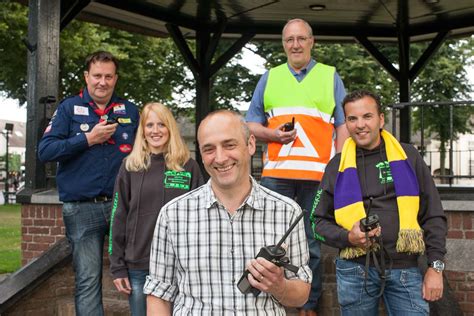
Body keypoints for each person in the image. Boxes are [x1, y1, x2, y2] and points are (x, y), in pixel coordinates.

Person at [144, 110, 312, 315]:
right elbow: (160, 294)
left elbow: (302, 293)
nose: (221, 158)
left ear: (250, 144)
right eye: (209, 149)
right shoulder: (173, 215)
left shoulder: (287, 212)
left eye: (229, 145)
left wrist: (279, 286)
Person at [245, 18, 349, 315]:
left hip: (317, 176)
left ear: (311, 41)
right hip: (277, 176)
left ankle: (308, 305)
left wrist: (339, 167)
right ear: (283, 44)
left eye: (301, 38)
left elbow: (342, 125)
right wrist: (273, 134)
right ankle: (268, 301)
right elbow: (250, 124)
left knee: (312, 244)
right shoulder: (269, 77)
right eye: (290, 39)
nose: (295, 44)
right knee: (268, 240)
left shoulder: (330, 77)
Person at [311, 90, 447, 315]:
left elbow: (434, 214)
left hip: (406, 269)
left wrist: (436, 267)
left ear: (381, 119)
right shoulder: (336, 166)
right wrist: (348, 237)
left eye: (367, 116)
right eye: (352, 119)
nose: (360, 125)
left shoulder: (408, 156)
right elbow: (315, 223)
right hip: (354, 270)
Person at [38, 51, 139, 316]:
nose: (102, 82)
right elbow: (45, 151)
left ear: (115, 79)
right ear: (86, 77)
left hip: (124, 207)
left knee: (138, 274)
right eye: (97, 76)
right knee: (87, 280)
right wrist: (87, 139)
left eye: (108, 76)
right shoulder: (69, 108)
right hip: (83, 210)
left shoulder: (129, 110)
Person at [109, 102, 204, 315]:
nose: (155, 130)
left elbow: (202, 217)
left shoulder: (188, 166)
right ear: (142, 130)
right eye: (149, 125)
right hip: (140, 264)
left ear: (170, 127)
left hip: (181, 265)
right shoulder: (130, 166)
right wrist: (117, 266)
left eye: (161, 124)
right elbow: (118, 216)